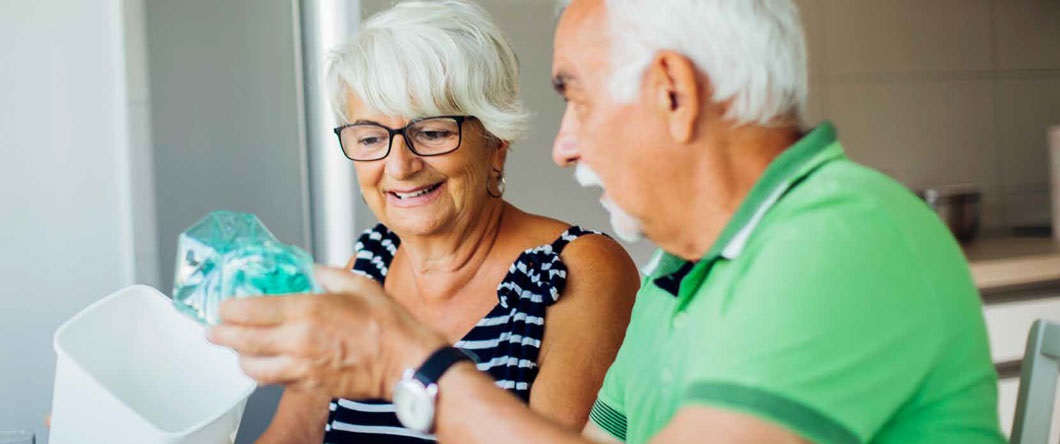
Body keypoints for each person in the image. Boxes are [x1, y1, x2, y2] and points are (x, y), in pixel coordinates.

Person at [210, 0, 1007, 443]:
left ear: (672, 92)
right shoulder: (679, 280)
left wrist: (409, 364)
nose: (560, 146)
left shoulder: (839, 240)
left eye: (577, 97)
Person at [251, 1, 639, 442]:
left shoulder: (576, 272)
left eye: (432, 133)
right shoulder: (364, 270)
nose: (398, 166)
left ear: (495, 142)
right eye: (371, 137)